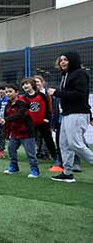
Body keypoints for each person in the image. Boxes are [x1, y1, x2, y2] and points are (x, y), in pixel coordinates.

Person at [48, 52, 93, 183]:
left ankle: (68, 172)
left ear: (72, 60)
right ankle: (67, 173)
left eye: (65, 60)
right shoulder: (66, 75)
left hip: (77, 113)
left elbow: (80, 94)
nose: (62, 62)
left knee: (76, 144)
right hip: (68, 114)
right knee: (64, 144)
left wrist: (56, 92)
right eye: (61, 60)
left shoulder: (80, 73)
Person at [0, 83, 40, 178]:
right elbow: (7, 120)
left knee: (30, 153)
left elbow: (20, 115)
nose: (8, 94)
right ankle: (14, 168)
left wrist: (6, 119)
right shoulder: (7, 105)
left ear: (17, 92)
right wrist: (7, 134)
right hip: (15, 133)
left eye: (10, 92)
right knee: (11, 149)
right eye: (6, 92)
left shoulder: (23, 103)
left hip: (27, 133)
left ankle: (35, 170)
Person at [20, 77, 56, 162]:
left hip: (42, 123)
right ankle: (33, 158)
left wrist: (47, 118)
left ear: (32, 85)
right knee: (30, 141)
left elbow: (48, 108)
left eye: (26, 83)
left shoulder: (42, 95)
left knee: (48, 140)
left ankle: (55, 158)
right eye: (23, 85)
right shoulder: (23, 98)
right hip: (30, 124)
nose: (25, 86)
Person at [50, 95, 82, 172]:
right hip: (60, 123)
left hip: (72, 122)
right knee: (59, 143)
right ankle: (60, 161)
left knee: (74, 143)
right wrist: (53, 124)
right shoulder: (57, 97)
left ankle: (76, 163)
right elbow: (55, 111)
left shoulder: (74, 95)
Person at [33, 75, 52, 159]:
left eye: (37, 81)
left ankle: (46, 153)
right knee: (37, 137)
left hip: (47, 119)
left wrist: (49, 117)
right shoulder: (32, 94)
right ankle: (38, 152)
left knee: (46, 137)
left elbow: (52, 107)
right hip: (36, 119)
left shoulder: (48, 93)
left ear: (42, 83)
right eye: (34, 82)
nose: (36, 83)